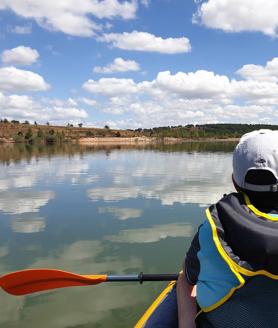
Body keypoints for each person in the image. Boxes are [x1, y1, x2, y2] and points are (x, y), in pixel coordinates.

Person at [177, 129, 278, 328]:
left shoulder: (213, 227)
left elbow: (188, 281)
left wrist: (186, 322)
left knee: (185, 277)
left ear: (234, 180)